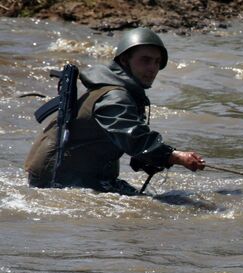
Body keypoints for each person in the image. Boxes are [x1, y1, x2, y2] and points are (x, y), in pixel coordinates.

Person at [24, 27, 205, 195]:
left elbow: (130, 145)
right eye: (146, 60)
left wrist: (153, 159)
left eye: (157, 62)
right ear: (125, 60)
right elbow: (134, 140)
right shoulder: (115, 97)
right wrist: (175, 156)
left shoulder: (118, 91)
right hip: (59, 179)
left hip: (74, 175)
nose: (153, 69)